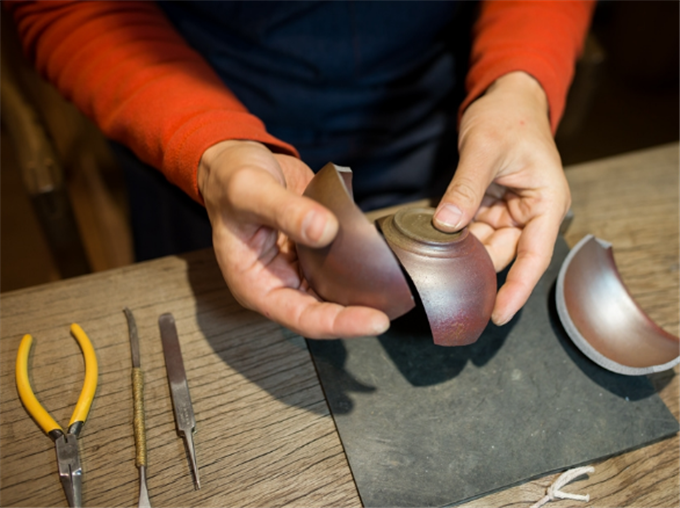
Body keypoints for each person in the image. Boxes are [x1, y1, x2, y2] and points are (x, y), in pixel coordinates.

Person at [10, 1, 595, 339]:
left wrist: (521, 80)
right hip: (204, 130)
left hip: (435, 106)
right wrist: (208, 147)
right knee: (231, 328)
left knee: (409, 319)